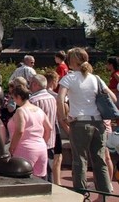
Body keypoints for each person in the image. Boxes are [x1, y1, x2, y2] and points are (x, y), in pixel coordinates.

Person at [57, 47, 114, 195]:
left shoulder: (69, 78)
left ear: (71, 61)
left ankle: (81, 194)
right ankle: (104, 193)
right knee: (99, 160)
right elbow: (113, 98)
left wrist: (64, 117)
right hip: (98, 122)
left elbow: (60, 98)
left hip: (80, 122)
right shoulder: (96, 78)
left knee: (80, 160)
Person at [8, 84, 51, 179]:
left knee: (22, 178)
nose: (14, 101)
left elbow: (20, 130)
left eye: (14, 98)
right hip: (41, 147)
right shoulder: (39, 110)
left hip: (25, 148)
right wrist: (44, 142)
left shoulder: (20, 111)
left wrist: (12, 147)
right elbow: (49, 128)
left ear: (19, 97)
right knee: (40, 179)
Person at [29, 74, 57, 182]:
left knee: (37, 173)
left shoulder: (33, 100)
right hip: (50, 140)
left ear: (35, 84)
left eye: (31, 83)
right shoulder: (52, 98)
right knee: (48, 171)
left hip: (37, 141)